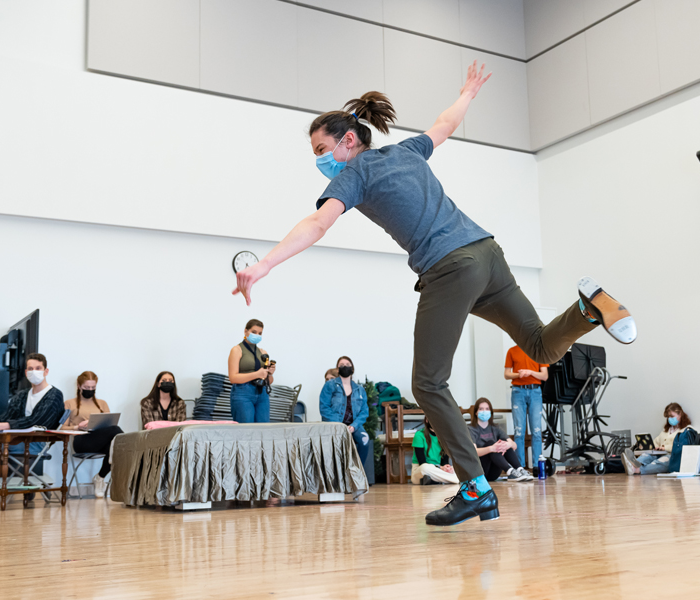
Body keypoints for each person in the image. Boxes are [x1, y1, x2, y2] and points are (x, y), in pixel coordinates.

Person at [232, 62, 637, 526]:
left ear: (348, 141)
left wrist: (263, 264)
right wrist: (466, 92)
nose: (320, 160)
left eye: (322, 149)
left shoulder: (354, 173)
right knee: (540, 345)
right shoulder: (406, 151)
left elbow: (317, 223)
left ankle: (475, 488)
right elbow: (444, 125)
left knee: (427, 384)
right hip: (488, 255)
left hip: (449, 268)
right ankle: (588, 309)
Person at [0, 353, 65, 500]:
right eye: (30, 368)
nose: (34, 371)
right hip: (16, 440)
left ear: (46, 371)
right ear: (25, 372)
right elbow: (7, 416)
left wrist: (2, 425)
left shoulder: (54, 395)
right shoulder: (23, 395)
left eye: (38, 368)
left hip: (36, 442)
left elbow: (36, 421)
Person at [61, 371, 124, 498]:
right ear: (79, 386)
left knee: (114, 444)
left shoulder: (102, 404)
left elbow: (109, 424)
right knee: (116, 431)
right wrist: (78, 426)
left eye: (93, 388)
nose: (90, 390)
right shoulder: (69, 403)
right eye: (86, 387)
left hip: (99, 440)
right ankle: (126, 451)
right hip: (81, 441)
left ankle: (100, 477)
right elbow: (62, 427)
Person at [319, 356, 369, 467]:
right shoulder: (329, 385)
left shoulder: (360, 389)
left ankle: (357, 472)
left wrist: (354, 426)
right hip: (335, 425)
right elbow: (324, 407)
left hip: (353, 425)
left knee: (364, 440)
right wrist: (340, 425)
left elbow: (364, 411)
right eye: (341, 365)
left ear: (352, 369)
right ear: (337, 369)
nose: (345, 366)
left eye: (347, 364)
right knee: (336, 446)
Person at [469, 398, 533, 483]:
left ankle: (519, 469)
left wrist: (507, 445)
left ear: (491, 412)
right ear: (476, 412)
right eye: (481, 409)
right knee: (491, 443)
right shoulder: (470, 429)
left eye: (487, 409)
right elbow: (473, 452)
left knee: (503, 442)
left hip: (494, 473)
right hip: (481, 471)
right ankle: (510, 471)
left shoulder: (496, 428)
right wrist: (491, 448)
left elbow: (514, 445)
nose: (484, 411)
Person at [504, 344, 547, 468]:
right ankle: (519, 467)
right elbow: (506, 374)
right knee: (519, 432)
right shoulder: (512, 351)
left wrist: (530, 372)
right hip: (518, 391)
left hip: (535, 391)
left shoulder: (539, 350)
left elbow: (544, 375)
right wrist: (519, 374)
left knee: (537, 431)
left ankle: (538, 467)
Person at [622, 402, 693, 475]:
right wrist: (651, 447)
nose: (669, 419)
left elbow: (682, 446)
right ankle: (633, 464)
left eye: (672, 416)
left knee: (660, 462)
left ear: (680, 414)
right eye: (668, 417)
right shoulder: (666, 430)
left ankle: (636, 470)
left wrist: (664, 448)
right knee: (646, 455)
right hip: (659, 454)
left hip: (672, 456)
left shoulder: (686, 430)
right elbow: (656, 441)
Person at [228, 319, 275, 423]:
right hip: (243, 393)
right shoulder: (237, 350)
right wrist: (257, 374)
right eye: (254, 332)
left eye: (260, 333)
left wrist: (270, 373)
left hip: (262, 393)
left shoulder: (262, 352)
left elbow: (269, 381)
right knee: (246, 431)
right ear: (246, 331)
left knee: (263, 430)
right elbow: (233, 378)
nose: (257, 335)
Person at [411, 416, 458, 485]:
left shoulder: (445, 437)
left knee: (455, 468)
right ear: (427, 420)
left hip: (439, 470)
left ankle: (437, 480)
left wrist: (446, 467)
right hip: (421, 470)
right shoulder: (419, 435)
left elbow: (444, 461)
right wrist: (440, 468)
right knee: (425, 468)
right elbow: (422, 462)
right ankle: (456, 480)